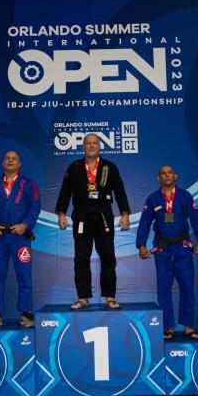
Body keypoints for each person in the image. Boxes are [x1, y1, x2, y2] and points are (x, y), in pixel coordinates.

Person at [55, 133, 131, 310]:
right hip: (82, 216)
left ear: (99, 146)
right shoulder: (74, 167)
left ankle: (110, 297)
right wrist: (61, 213)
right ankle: (83, 298)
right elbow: (65, 192)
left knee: (108, 257)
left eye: (94, 143)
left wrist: (125, 213)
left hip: (103, 215)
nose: (91, 146)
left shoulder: (109, 167)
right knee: (81, 258)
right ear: (83, 147)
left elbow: (119, 191)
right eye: (88, 143)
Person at [136, 165, 198, 340]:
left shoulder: (185, 196)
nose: (167, 175)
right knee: (163, 288)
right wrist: (141, 245)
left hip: (182, 247)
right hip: (162, 248)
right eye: (163, 173)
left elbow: (196, 219)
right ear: (159, 179)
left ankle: (189, 327)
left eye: (169, 173)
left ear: (175, 176)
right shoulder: (153, 198)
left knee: (187, 286)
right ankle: (168, 327)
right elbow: (144, 223)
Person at [0, 151, 41, 329]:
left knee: (24, 275)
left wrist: (26, 225)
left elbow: (35, 206)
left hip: (20, 237)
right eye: (7, 158)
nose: (10, 160)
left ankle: (26, 312)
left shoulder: (29, 184)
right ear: (2, 163)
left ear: (19, 164)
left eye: (14, 159)